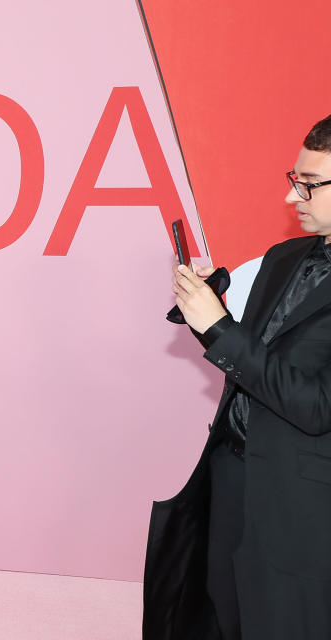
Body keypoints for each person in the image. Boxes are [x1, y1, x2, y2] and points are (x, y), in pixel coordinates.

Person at [144, 114, 331, 640]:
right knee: (222, 618)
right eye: (295, 181)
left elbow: (316, 407)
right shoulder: (285, 256)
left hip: (302, 505)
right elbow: (259, 358)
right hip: (232, 477)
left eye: (310, 185)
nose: (293, 199)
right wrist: (207, 313)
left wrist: (221, 327)